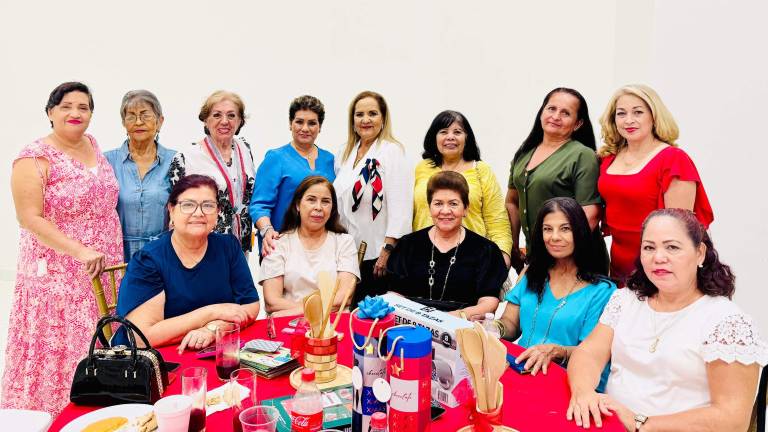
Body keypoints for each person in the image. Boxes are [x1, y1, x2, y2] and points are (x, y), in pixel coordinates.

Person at [566, 209, 767, 431]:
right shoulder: (625, 299)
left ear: (700, 253)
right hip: (611, 426)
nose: (658, 258)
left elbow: (732, 419)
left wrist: (640, 423)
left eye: (672, 247)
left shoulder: (727, 322)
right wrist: (583, 392)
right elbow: (589, 353)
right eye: (649, 247)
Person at [2, 82, 124, 415]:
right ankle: (61, 412)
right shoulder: (34, 157)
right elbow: (29, 217)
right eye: (66, 106)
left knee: (103, 334)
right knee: (65, 341)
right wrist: (79, 251)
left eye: (83, 107)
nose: (75, 113)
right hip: (59, 272)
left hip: (104, 266)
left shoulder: (93, 145)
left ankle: (105, 406)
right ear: (50, 112)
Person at [116, 175, 260, 352]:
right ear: (171, 210)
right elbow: (142, 337)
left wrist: (214, 328)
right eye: (188, 205)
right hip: (155, 357)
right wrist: (212, 312)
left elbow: (250, 305)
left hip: (211, 351)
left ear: (218, 212)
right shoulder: (148, 261)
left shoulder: (228, 246)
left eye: (208, 205)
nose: (199, 213)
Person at [597, 84, 713, 282]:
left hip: (658, 263)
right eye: (621, 113)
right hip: (618, 262)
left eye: (638, 112)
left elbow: (680, 229)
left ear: (654, 116)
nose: (629, 120)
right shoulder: (607, 158)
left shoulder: (673, 159)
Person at [496, 197, 615, 390]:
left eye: (565, 229)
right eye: (548, 229)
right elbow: (511, 324)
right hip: (520, 372)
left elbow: (593, 354)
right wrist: (491, 328)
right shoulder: (531, 273)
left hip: (569, 383)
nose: (555, 237)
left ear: (580, 232)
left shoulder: (602, 291)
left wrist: (557, 351)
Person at [506, 88, 607, 274]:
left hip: (575, 261)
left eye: (565, 113)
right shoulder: (524, 153)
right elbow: (512, 202)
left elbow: (591, 214)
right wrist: (512, 247)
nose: (555, 116)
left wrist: (553, 252)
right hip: (536, 256)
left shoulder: (583, 155)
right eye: (551, 109)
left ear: (578, 124)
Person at [387, 171, 505, 316]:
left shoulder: (486, 250)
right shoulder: (408, 244)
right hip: (411, 323)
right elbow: (394, 294)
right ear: (429, 207)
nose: (445, 211)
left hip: (463, 324)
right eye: (438, 204)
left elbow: (489, 301)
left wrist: (449, 319)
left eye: (453, 204)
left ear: (465, 208)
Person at [333, 91, 413, 304]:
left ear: (383, 118)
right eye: (359, 114)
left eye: (372, 113)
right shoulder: (344, 153)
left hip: (379, 257)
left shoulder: (392, 152)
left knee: (372, 316)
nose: (365, 120)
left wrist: (387, 250)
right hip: (349, 254)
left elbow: (402, 208)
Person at [413, 110, 512, 266]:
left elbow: (497, 221)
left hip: (472, 260)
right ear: (434, 137)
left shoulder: (481, 171)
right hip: (424, 257)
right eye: (443, 132)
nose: (450, 137)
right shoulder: (422, 168)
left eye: (457, 132)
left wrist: (501, 260)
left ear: (467, 138)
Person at [169, 90, 256, 252]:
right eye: (217, 115)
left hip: (240, 243)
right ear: (205, 120)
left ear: (240, 121)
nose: (225, 121)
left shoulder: (244, 148)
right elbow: (176, 210)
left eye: (231, 115)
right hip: (204, 244)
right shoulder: (187, 157)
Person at [259, 176, 360, 317]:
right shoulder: (277, 243)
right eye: (311, 200)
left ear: (332, 208)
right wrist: (314, 310)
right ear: (297, 205)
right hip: (289, 324)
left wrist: (297, 311)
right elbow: (272, 302)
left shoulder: (344, 242)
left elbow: (343, 298)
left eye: (325, 201)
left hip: (332, 324)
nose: (318, 207)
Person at [251, 95, 336, 258]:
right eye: (299, 122)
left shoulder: (331, 160)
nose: (305, 128)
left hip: (320, 248)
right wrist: (267, 230)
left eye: (312, 123)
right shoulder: (276, 158)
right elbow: (259, 205)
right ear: (290, 124)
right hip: (282, 246)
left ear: (320, 127)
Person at [105, 90, 176, 261]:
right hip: (118, 255)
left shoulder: (175, 161)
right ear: (123, 123)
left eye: (145, 115)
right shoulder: (106, 162)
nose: (138, 122)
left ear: (160, 121)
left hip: (163, 254)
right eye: (131, 116)